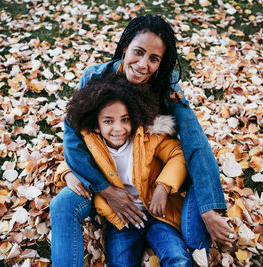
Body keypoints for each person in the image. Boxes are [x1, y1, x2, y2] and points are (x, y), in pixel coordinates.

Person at [50, 14, 236, 266]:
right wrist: (103, 188)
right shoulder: (94, 78)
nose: (142, 64)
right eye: (138, 52)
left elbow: (195, 143)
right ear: (125, 47)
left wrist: (208, 209)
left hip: (153, 179)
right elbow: (74, 142)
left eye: (154, 59)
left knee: (186, 243)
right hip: (103, 179)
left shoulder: (166, 88)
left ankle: (195, 243)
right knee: (62, 205)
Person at [66, 73, 191, 266]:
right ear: (96, 126)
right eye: (108, 121)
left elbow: (178, 153)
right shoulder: (91, 145)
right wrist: (66, 173)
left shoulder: (147, 138)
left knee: (178, 259)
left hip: (157, 215)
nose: (119, 128)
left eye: (125, 119)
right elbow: (70, 158)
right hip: (121, 221)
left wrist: (163, 186)